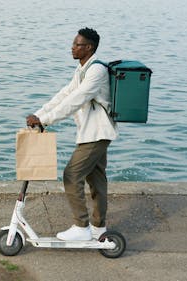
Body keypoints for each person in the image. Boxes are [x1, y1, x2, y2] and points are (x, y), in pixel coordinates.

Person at [26, 27, 118, 241]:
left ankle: (81, 227)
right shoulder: (82, 69)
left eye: (77, 45)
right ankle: (98, 227)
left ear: (89, 47)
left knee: (71, 175)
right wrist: (39, 114)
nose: (72, 48)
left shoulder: (97, 71)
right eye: (73, 44)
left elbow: (76, 100)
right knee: (96, 181)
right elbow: (64, 94)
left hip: (96, 134)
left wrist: (45, 120)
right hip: (92, 133)